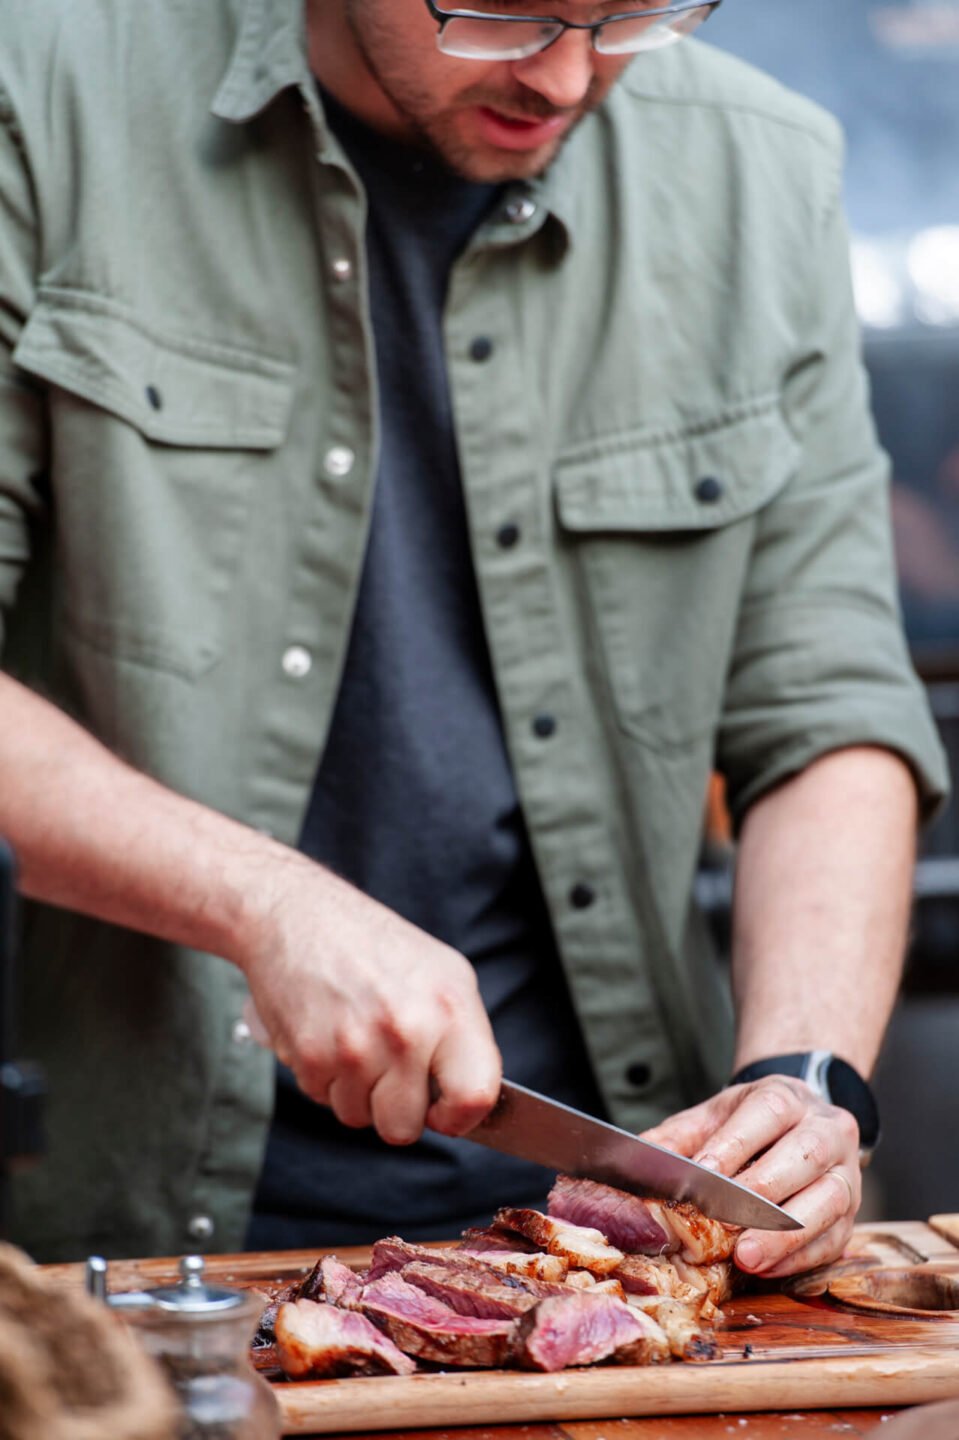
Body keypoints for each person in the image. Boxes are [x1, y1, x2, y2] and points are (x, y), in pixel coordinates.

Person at [0, 0, 948, 1271]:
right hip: (126, 1230)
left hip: (615, 1256)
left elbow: (825, 705)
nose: (564, 74)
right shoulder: (43, 93)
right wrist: (263, 905)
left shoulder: (754, 167)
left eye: (633, 15)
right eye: (499, 11)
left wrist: (805, 1077)